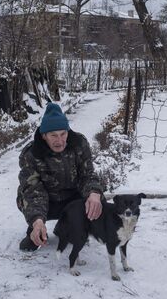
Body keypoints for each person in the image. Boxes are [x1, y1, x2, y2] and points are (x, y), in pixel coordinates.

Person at [16, 102, 104, 251]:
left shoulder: (79, 144)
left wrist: (94, 193)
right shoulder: (30, 155)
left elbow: (87, 175)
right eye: (53, 135)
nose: (60, 140)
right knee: (28, 202)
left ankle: (73, 226)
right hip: (46, 201)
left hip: (73, 200)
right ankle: (36, 230)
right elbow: (33, 190)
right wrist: (37, 220)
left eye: (63, 134)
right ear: (44, 136)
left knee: (96, 198)